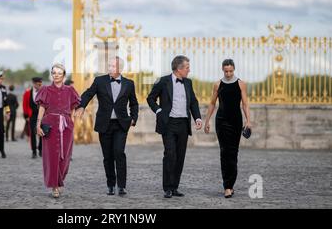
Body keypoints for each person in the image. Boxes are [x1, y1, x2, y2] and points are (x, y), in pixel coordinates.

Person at [75, 56, 139, 196]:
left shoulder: (129, 84)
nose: (109, 68)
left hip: (121, 124)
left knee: (119, 153)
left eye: (112, 66)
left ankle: (121, 186)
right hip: (105, 124)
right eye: (109, 65)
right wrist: (81, 106)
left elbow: (134, 102)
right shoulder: (99, 81)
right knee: (108, 156)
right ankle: (110, 184)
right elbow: (88, 94)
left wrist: (134, 117)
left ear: (120, 68)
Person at [146, 55, 202, 198]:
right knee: (170, 154)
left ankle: (175, 187)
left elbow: (193, 102)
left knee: (180, 156)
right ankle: (167, 188)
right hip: (168, 123)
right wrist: (159, 111)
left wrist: (197, 118)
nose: (189, 70)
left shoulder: (188, 83)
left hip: (183, 124)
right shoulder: (163, 81)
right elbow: (150, 98)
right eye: (187, 67)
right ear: (179, 68)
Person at [204, 59, 252, 198]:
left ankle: (231, 183)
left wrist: (248, 120)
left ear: (234, 69)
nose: (229, 73)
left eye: (231, 71)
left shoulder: (241, 84)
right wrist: (207, 121)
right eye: (226, 71)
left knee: (233, 153)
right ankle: (227, 187)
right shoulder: (218, 84)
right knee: (224, 152)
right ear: (222, 70)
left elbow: (245, 104)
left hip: (236, 121)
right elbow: (212, 103)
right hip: (221, 121)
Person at [35, 64, 80, 198]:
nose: (56, 75)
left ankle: (60, 179)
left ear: (64, 75)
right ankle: (54, 185)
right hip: (50, 124)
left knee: (65, 156)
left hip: (66, 126)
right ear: (51, 74)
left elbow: (73, 107)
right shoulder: (45, 90)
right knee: (51, 156)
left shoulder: (70, 90)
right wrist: (38, 125)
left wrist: (71, 122)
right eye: (54, 73)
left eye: (59, 73)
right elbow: (42, 108)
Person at [29, 77, 43, 158]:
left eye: (40, 84)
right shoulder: (29, 92)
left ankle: (41, 149)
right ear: (34, 84)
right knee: (33, 133)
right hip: (33, 115)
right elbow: (26, 104)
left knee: (41, 133)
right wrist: (27, 115)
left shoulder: (44, 92)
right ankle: (34, 151)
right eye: (38, 84)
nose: (39, 86)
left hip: (42, 115)